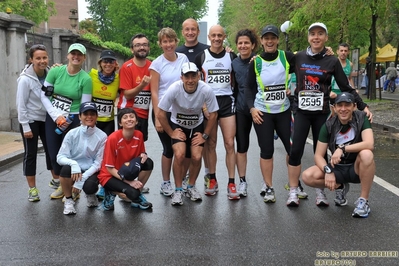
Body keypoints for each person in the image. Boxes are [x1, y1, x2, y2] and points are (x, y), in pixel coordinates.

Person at [286, 22, 372, 207]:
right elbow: (275, 62)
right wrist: (254, 59)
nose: (316, 37)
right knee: (296, 151)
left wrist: (362, 105)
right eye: (313, 34)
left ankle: (321, 191)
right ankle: (293, 190)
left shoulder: (332, 61)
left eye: (320, 34)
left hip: (321, 113)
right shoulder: (298, 57)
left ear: (326, 38)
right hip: (301, 112)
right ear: (308, 37)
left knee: (321, 151)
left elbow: (345, 86)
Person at [246, 25, 301, 203]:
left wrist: (327, 51)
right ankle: (268, 186)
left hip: (284, 111)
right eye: (266, 38)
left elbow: (308, 63)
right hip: (263, 113)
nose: (269, 41)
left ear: (277, 40)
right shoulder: (256, 62)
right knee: (267, 151)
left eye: (273, 38)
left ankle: (294, 184)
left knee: (293, 150)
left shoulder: (287, 56)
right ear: (261, 41)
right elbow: (248, 88)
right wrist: (252, 109)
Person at [301, 93, 375, 218]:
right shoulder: (328, 125)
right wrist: (328, 171)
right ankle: (340, 186)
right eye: (340, 105)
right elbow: (318, 156)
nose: (343, 109)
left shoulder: (362, 118)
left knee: (367, 154)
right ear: (334, 108)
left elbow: (369, 143)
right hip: (337, 168)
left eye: (347, 105)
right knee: (307, 176)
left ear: (354, 106)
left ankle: (363, 201)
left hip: (356, 168)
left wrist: (343, 148)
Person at [157, 62, 219, 205]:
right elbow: (161, 113)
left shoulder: (206, 89)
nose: (190, 80)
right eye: (187, 77)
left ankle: (190, 187)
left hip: (196, 125)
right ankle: (178, 190)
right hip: (178, 125)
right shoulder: (174, 89)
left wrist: (205, 135)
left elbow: (214, 114)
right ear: (181, 78)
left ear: (198, 76)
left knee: (197, 157)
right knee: (179, 154)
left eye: (193, 76)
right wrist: (171, 133)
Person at [41, 43, 93, 200]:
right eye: (73, 53)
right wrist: (57, 116)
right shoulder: (56, 71)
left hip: (73, 120)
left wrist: (69, 120)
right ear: (68, 56)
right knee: (53, 152)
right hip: (53, 117)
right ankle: (62, 185)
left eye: (79, 54)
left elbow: (84, 105)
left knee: (70, 154)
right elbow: (44, 95)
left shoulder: (86, 79)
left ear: (84, 58)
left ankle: (72, 189)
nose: (76, 57)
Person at [194, 25, 239, 199]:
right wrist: (202, 105)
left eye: (220, 35)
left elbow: (238, 75)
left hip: (227, 103)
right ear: (209, 37)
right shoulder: (202, 57)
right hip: (209, 104)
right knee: (210, 144)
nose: (217, 38)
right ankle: (212, 178)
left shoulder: (231, 55)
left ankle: (232, 182)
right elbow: (196, 81)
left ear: (224, 36)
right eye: (214, 35)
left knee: (229, 144)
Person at [150, 28, 189, 197]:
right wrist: (159, 117)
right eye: (165, 42)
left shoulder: (183, 59)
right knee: (168, 148)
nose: (168, 45)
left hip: (182, 111)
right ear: (160, 44)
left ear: (176, 42)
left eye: (171, 41)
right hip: (164, 112)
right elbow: (155, 92)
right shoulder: (156, 64)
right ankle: (166, 183)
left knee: (183, 148)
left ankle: (182, 181)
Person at [16, 44, 57, 202]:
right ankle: (32, 189)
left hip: (47, 119)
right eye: (38, 58)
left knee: (51, 150)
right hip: (31, 120)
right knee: (30, 153)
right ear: (31, 60)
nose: (42, 61)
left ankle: (56, 180)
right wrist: (25, 126)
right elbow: (21, 104)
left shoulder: (51, 74)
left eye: (44, 57)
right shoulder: (25, 80)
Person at [97, 108, 153, 211]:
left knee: (148, 162)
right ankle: (110, 191)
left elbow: (141, 156)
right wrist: (129, 182)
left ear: (136, 121)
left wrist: (144, 155)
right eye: (125, 117)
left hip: (126, 170)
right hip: (110, 175)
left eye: (132, 117)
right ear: (120, 123)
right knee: (131, 193)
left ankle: (137, 193)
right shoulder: (113, 138)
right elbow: (109, 168)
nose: (129, 119)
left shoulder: (139, 135)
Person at [57, 102, 107, 215]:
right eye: (85, 114)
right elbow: (60, 156)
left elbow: (99, 163)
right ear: (80, 116)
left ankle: (90, 194)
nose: (89, 117)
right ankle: (69, 201)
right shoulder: (71, 133)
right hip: (74, 169)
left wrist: (83, 178)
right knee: (65, 170)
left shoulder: (102, 136)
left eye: (92, 114)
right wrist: (73, 164)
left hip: (91, 170)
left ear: (96, 116)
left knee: (90, 187)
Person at [231, 29, 259, 197]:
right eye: (240, 43)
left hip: (261, 109)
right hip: (241, 110)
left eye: (246, 43)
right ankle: (242, 181)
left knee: (266, 148)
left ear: (253, 45)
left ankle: (266, 183)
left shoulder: (260, 61)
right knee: (242, 147)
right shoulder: (233, 62)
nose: (243, 46)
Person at [118, 33, 152, 141]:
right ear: (132, 49)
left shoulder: (153, 66)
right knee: (125, 144)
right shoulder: (127, 67)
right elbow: (127, 95)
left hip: (143, 114)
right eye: (137, 45)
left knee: (140, 143)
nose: (142, 47)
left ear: (148, 48)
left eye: (144, 45)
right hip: (127, 112)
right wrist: (142, 85)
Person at [89, 50, 120, 136]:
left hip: (108, 122)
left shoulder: (118, 79)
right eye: (105, 61)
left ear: (115, 64)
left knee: (106, 147)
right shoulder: (92, 74)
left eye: (111, 61)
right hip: (92, 119)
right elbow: (77, 74)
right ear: (100, 63)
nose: (108, 64)